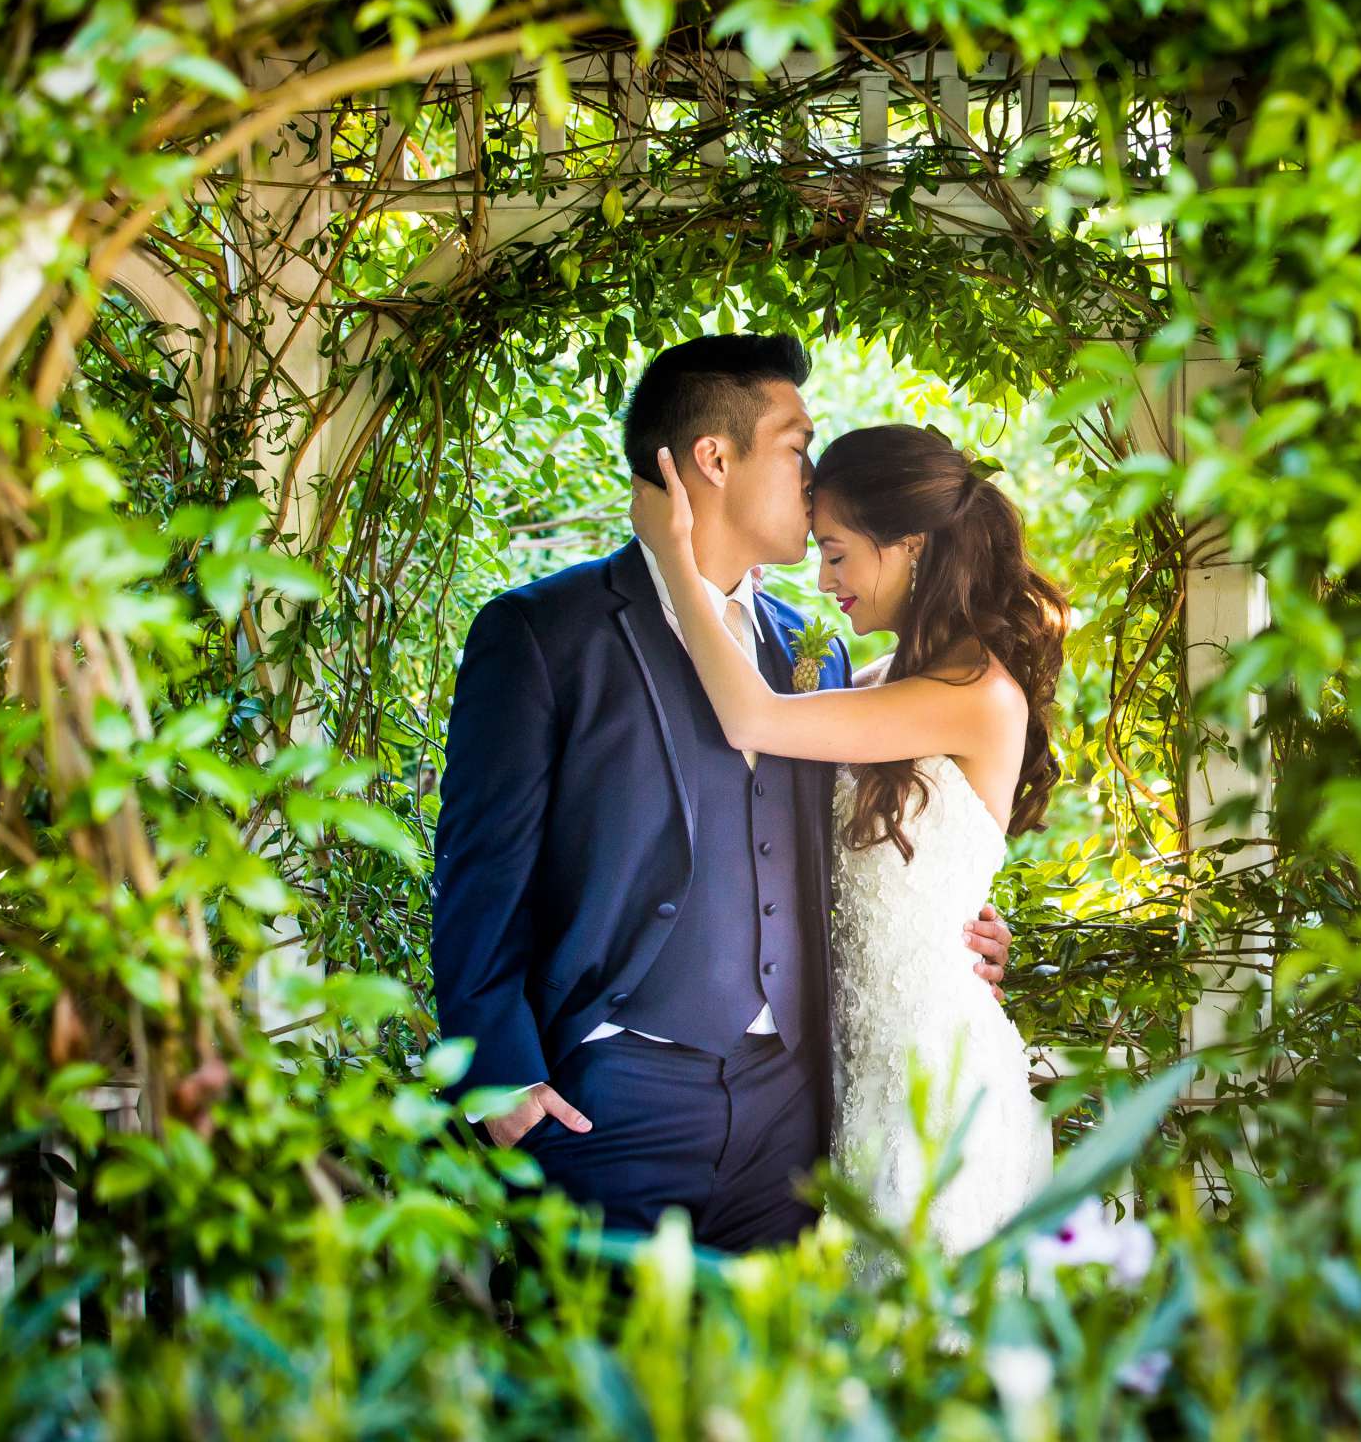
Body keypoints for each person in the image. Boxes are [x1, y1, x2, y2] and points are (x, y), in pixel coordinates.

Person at [429, 334, 1014, 1252]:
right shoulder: (544, 633)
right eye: (797, 445)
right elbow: (477, 869)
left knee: (755, 1396)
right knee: (590, 1384)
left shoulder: (809, 650)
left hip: (792, 1117)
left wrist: (957, 929)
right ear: (713, 456)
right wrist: (496, 1078)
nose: (816, 477)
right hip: (611, 1098)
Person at [630, 420, 1061, 1252]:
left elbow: (749, 718)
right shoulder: (873, 684)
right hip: (849, 1067)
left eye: (836, 553)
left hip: (933, 1073)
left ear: (908, 547)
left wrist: (676, 559)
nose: (824, 580)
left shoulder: (981, 693)